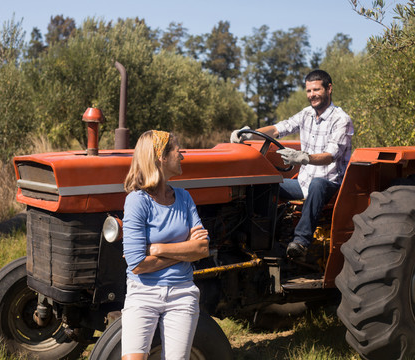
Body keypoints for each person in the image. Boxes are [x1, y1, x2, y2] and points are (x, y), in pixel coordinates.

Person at [230, 69, 354, 259]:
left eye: (316, 90)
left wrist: (304, 158)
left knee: (318, 184)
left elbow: (331, 155)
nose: (312, 95)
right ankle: (258, 239)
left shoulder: (341, 120)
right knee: (265, 184)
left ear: (329, 89)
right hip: (303, 183)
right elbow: (280, 128)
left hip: (331, 184)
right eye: (309, 91)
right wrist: (248, 133)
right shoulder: (306, 114)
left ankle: (301, 242)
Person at [121, 130, 210, 360]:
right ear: (161, 157)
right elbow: (137, 264)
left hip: (182, 292)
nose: (182, 156)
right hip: (143, 292)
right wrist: (184, 251)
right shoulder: (137, 201)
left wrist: (159, 248)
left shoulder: (184, 197)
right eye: (178, 150)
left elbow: (202, 249)